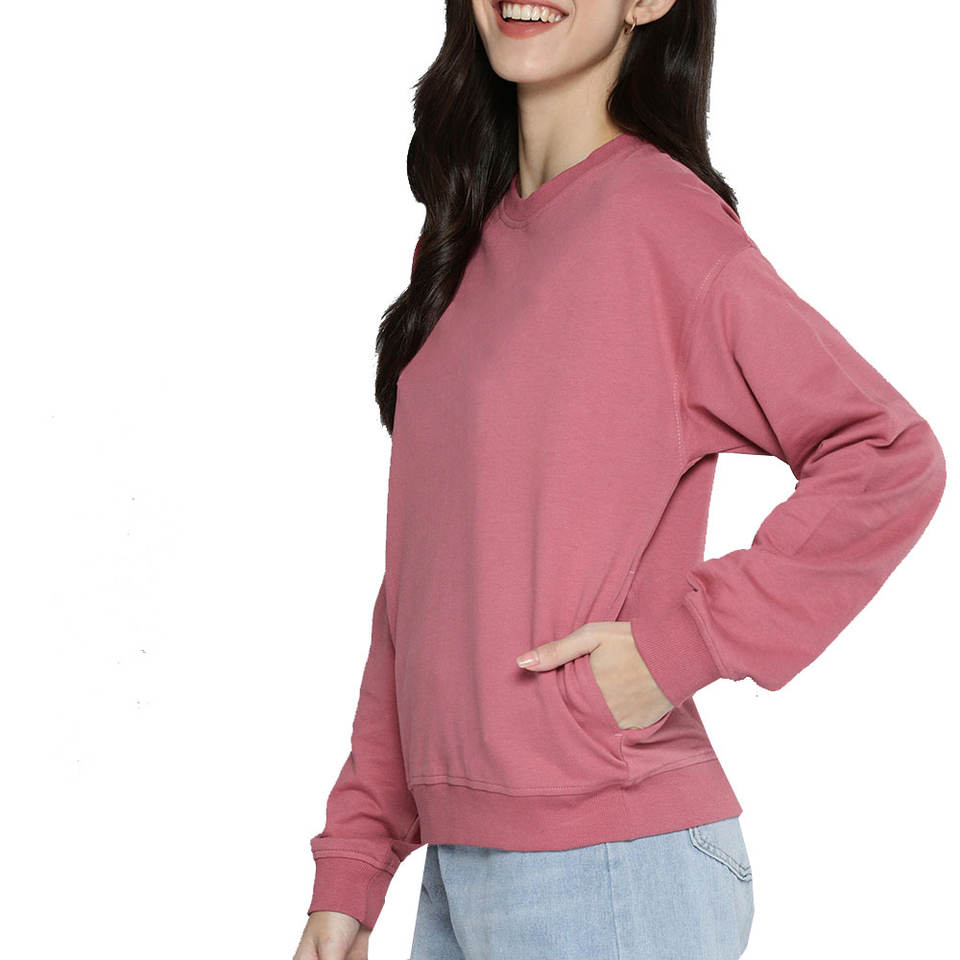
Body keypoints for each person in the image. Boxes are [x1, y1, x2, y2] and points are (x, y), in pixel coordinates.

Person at [294, 1, 947, 958]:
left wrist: (682, 646)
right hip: (462, 868)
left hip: (609, 866)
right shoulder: (458, 248)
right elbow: (423, 588)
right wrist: (353, 861)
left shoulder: (662, 223)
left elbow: (887, 454)